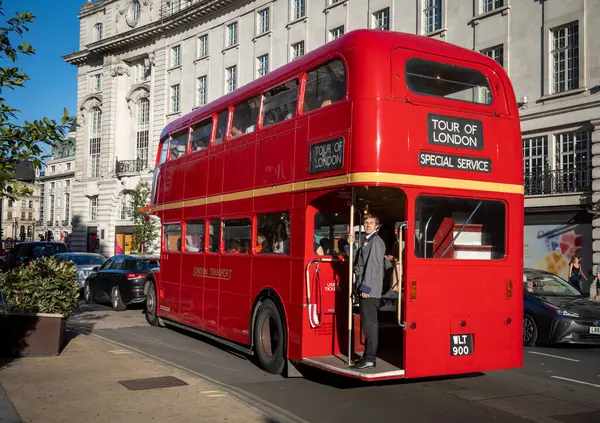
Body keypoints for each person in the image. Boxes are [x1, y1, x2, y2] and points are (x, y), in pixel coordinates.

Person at [349, 213, 392, 369]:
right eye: (366, 223)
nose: (368, 225)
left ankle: (369, 358)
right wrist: (352, 244)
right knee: (368, 324)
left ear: (377, 225)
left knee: (370, 325)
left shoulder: (376, 242)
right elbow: (358, 261)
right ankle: (368, 357)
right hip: (366, 287)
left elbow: (373, 267)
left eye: (371, 223)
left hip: (369, 289)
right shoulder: (368, 241)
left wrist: (366, 288)